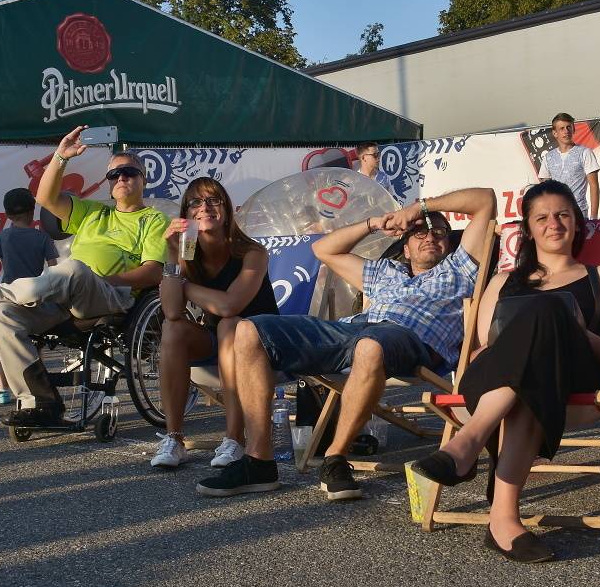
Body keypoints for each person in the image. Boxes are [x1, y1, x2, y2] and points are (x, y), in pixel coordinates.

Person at [196, 187, 497, 500]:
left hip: (410, 338)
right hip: (353, 331)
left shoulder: (460, 268)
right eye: (419, 232)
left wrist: (417, 208)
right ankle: (259, 461)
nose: (429, 236)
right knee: (248, 330)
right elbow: (324, 250)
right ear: (405, 248)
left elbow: (485, 200)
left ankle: (336, 458)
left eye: (439, 232)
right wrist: (372, 224)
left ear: (449, 243)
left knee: (370, 345)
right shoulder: (385, 271)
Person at [410, 180, 600, 562]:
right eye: (542, 217)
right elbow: (484, 352)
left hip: (574, 384)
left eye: (563, 214)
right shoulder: (501, 283)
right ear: (528, 229)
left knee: (547, 316)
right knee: (529, 368)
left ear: (578, 223)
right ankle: (503, 522)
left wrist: (578, 333)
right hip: (496, 385)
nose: (554, 223)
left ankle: (468, 443)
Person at [0, 126, 167, 426]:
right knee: (0, 316)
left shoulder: (153, 219)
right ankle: (40, 402)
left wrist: (108, 280)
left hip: (111, 298)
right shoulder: (93, 212)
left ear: (144, 179)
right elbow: (46, 198)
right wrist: (61, 156)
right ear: (109, 184)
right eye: (115, 174)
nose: (122, 178)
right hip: (66, 301)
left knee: (74, 267)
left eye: (130, 172)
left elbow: (153, 270)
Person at [152, 177, 279, 469]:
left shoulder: (252, 252)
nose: (204, 207)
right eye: (195, 202)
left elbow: (229, 305)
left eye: (213, 200)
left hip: (263, 341)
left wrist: (184, 285)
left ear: (227, 210)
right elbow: (172, 310)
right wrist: (172, 254)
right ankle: (174, 438)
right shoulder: (188, 252)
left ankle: (234, 438)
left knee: (229, 323)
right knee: (174, 329)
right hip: (220, 341)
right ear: (186, 213)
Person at [0, 188, 58, 405]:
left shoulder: (4, 237)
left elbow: (1, 260)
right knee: (36, 343)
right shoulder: (43, 237)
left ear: (7, 215)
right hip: (35, 296)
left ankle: (2, 387)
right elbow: (53, 268)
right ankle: (38, 384)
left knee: (6, 344)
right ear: (32, 211)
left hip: (9, 297)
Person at [537, 113, 600, 218]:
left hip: (579, 213)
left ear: (573, 129)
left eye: (569, 127)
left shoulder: (585, 152)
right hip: (556, 215)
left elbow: (594, 186)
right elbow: (545, 190)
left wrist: (594, 217)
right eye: (561, 128)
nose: (566, 131)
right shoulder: (548, 157)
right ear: (555, 133)